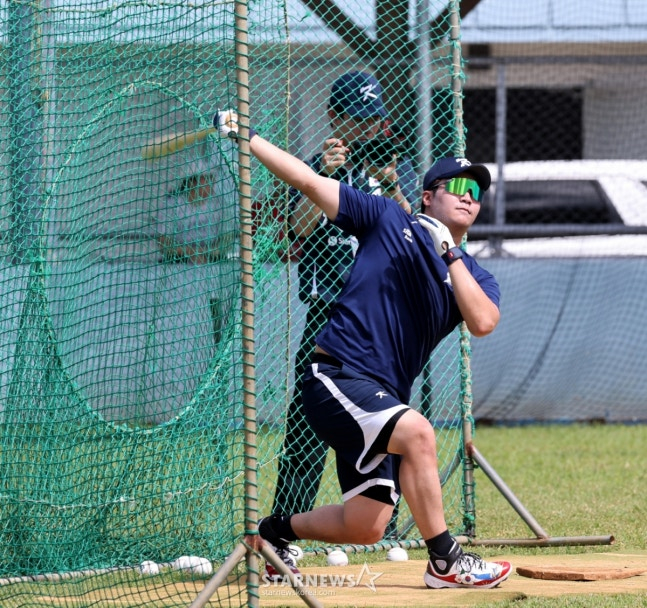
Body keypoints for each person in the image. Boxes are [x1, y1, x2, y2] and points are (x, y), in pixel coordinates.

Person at [214, 110, 512, 589]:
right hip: (338, 376)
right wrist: (248, 138)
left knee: (366, 524)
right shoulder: (388, 219)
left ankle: (273, 533)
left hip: (380, 398)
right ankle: (446, 561)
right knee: (419, 434)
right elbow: (309, 182)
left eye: (476, 193)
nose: (467, 196)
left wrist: (450, 254)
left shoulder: (473, 275)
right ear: (427, 196)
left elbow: (482, 322)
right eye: (456, 187)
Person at [272, 71, 418, 531]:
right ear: (335, 117)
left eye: (373, 119)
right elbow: (296, 230)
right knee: (306, 427)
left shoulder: (393, 166)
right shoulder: (313, 167)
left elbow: (416, 235)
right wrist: (323, 176)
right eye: (358, 118)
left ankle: (383, 527)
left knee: (387, 422)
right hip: (329, 316)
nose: (368, 128)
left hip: (383, 319)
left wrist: (391, 184)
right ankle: (285, 529)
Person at [155, 161, 236, 265]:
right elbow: (164, 243)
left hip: (213, 260)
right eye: (206, 179)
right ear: (191, 182)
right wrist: (191, 253)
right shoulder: (171, 204)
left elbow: (227, 240)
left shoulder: (220, 204)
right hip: (178, 261)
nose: (212, 182)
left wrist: (205, 253)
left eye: (212, 178)